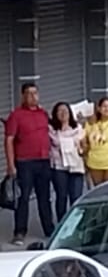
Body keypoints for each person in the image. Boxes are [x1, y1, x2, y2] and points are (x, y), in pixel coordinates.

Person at [5, 83, 53, 244]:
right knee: (23, 198)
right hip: (25, 163)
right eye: (28, 94)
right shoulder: (16, 115)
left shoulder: (43, 114)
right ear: (22, 96)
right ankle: (19, 231)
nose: (32, 97)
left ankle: (49, 229)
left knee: (44, 197)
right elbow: (9, 140)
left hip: (44, 161)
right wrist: (11, 165)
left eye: (35, 93)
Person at [46, 101, 86, 224]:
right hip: (59, 167)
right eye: (60, 111)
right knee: (61, 197)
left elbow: (82, 145)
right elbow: (56, 142)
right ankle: (62, 224)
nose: (63, 113)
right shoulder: (51, 130)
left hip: (76, 167)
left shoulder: (78, 128)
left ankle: (77, 225)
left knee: (76, 197)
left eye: (66, 111)